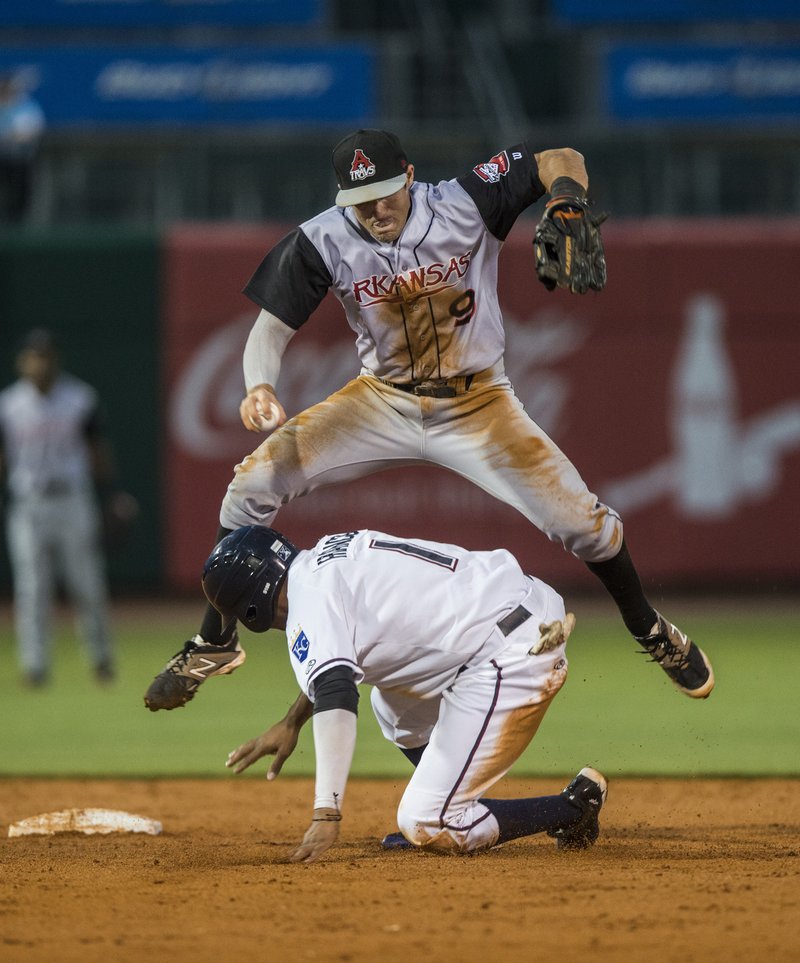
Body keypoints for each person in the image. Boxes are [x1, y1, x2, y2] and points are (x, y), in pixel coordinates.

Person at [144, 128, 714, 712]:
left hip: (478, 403)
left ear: (410, 175)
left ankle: (646, 626)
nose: (376, 208)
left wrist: (566, 197)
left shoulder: (465, 202)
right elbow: (270, 328)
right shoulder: (322, 240)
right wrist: (258, 385)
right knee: (250, 487)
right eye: (360, 200)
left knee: (584, 523)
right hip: (380, 400)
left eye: (386, 193)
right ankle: (214, 641)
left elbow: (558, 158)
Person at [204, 523, 609, 861]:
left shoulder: (308, 603)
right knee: (393, 708)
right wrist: (291, 722)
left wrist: (326, 813)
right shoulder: (324, 555)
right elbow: (338, 658)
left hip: (514, 653)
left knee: (423, 823)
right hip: (522, 608)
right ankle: (455, 802)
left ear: (251, 609)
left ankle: (570, 809)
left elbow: (337, 691)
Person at [0, 330, 122, 685]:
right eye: (33, 355)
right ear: (22, 361)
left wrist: (111, 493)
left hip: (73, 500)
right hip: (29, 503)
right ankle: (35, 666)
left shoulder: (80, 398)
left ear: (56, 359)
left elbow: (97, 450)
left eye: (46, 354)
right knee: (31, 588)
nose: (40, 361)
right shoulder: (8, 404)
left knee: (87, 584)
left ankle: (101, 660)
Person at [0, 72, 45, 225]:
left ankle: (18, 223)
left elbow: (27, 134)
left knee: (20, 194)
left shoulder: (26, 106)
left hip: (20, 159)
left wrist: (9, 137)